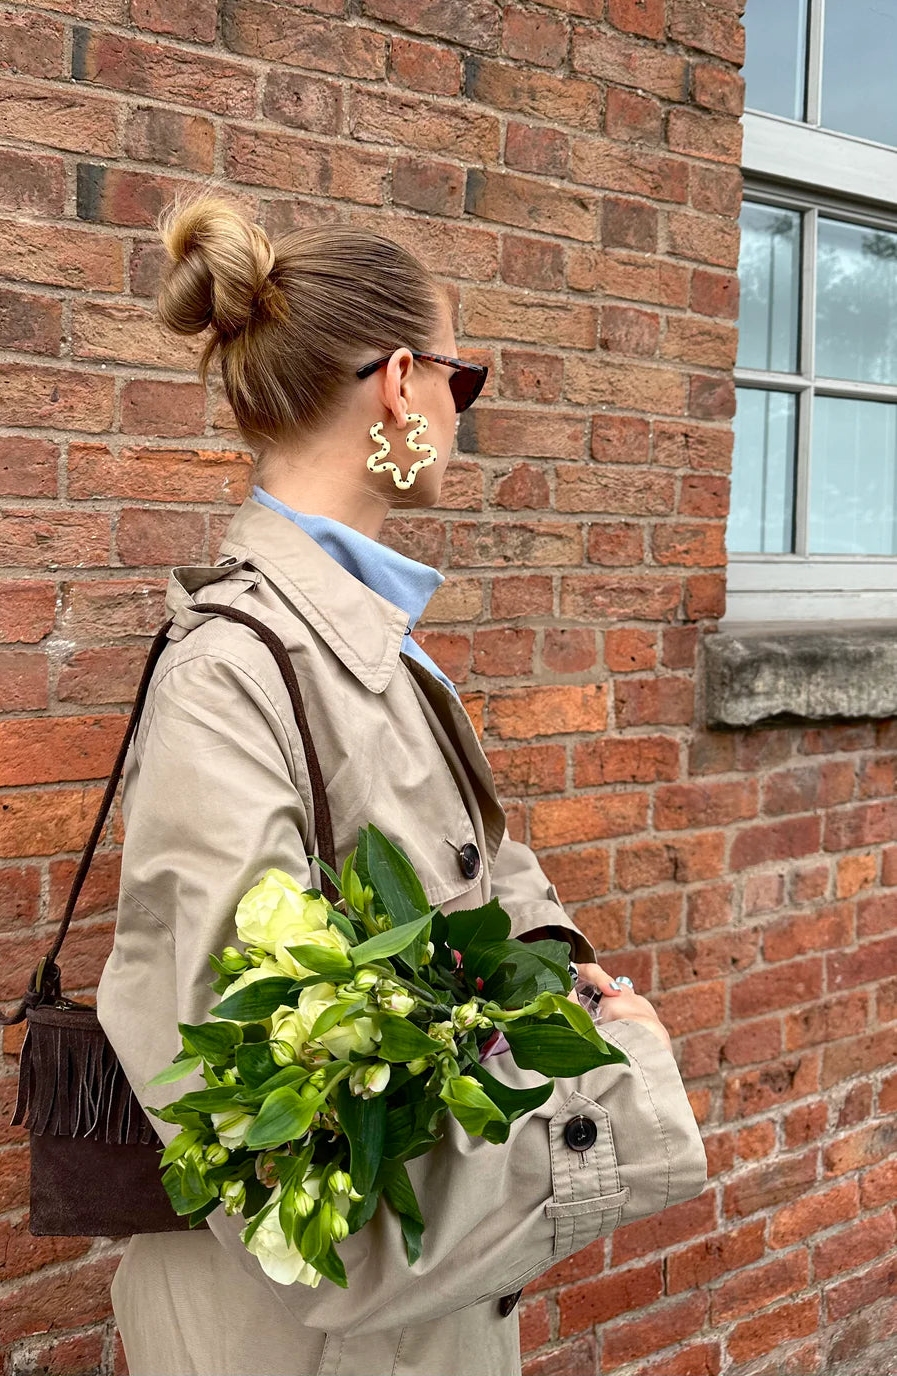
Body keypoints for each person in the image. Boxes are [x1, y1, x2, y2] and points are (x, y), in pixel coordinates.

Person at [95, 188, 705, 1376]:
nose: (457, 417)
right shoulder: (234, 674)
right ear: (399, 385)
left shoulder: (354, 632)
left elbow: (448, 883)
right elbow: (265, 1119)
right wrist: (618, 1093)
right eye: (459, 381)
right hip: (304, 1345)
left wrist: (549, 975)